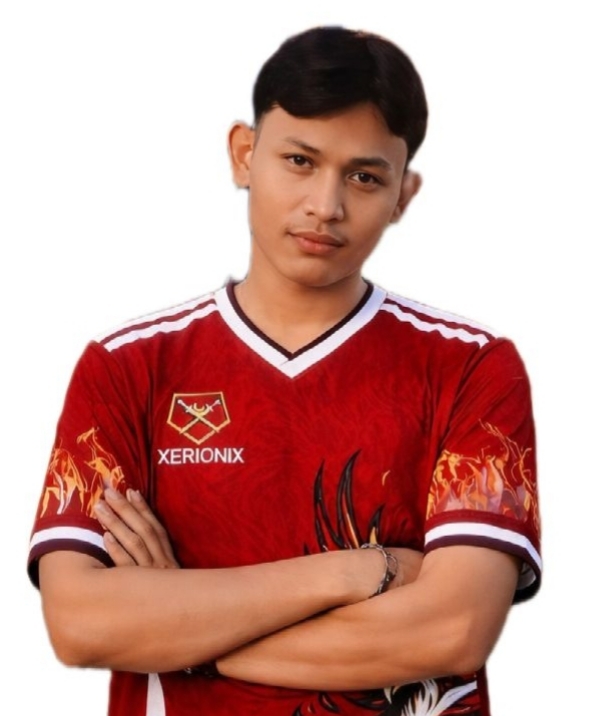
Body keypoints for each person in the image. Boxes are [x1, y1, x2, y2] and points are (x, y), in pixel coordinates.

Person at [28, 26, 541, 716]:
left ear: (404, 194)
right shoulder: (127, 368)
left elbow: (452, 631)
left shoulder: (472, 369)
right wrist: (361, 570)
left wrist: (179, 625)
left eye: (365, 176)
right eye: (300, 160)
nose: (326, 205)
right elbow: (81, 624)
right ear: (245, 153)